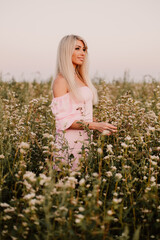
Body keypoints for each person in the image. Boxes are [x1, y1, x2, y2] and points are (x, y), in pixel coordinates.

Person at [51, 34, 117, 170]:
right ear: (66, 51)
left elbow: (81, 111)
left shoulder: (79, 77)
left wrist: (101, 125)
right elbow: (63, 121)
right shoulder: (61, 80)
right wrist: (95, 126)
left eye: (84, 49)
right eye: (77, 48)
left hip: (84, 140)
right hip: (69, 143)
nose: (83, 53)